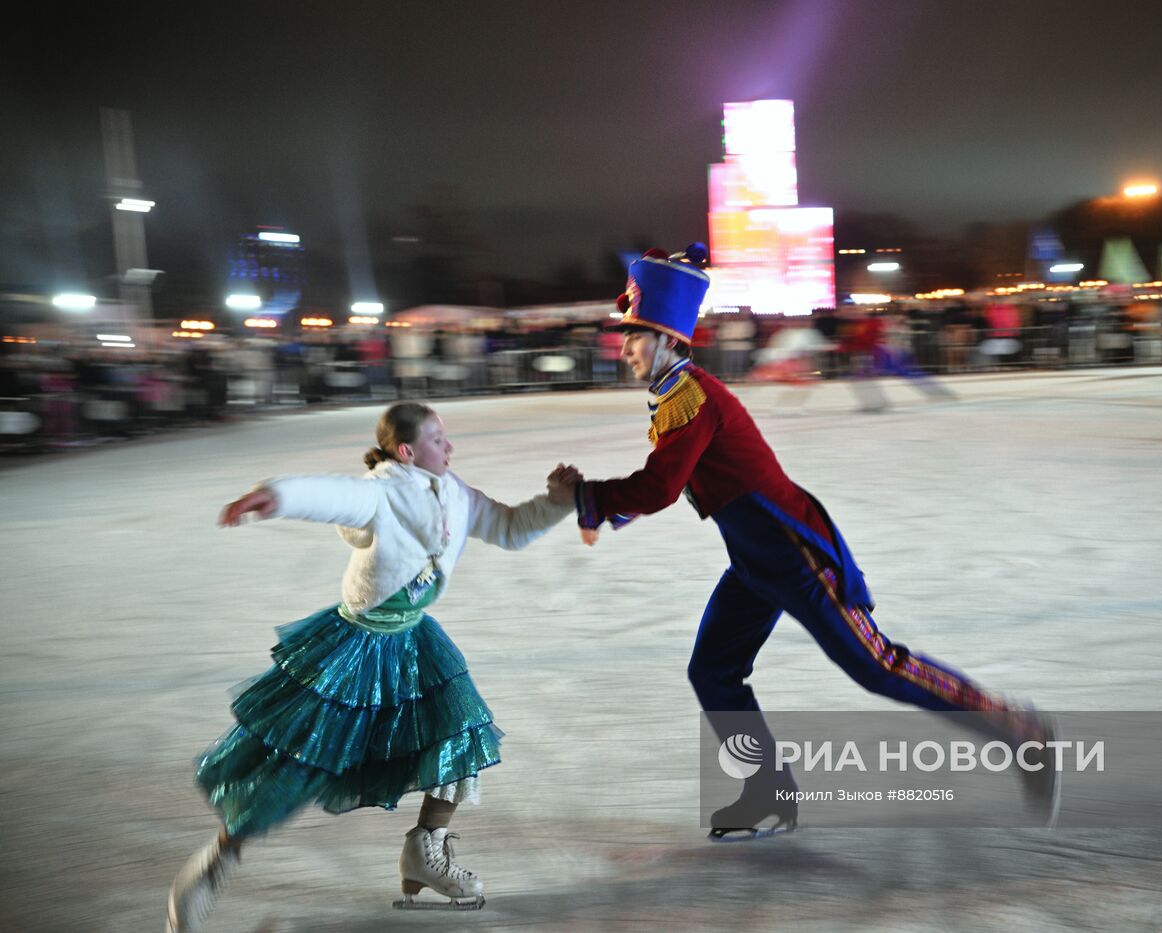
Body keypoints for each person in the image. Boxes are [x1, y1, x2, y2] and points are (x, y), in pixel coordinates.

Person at [572, 245, 1058, 839]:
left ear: (670, 338)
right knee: (714, 672)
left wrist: (594, 498)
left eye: (635, 336)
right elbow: (680, 480)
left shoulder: (691, 397)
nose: (622, 348)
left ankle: (1016, 729)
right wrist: (607, 509)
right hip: (755, 561)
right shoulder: (679, 392)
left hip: (794, 553)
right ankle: (769, 795)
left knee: (877, 667)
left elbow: (662, 486)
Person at [164, 402, 579, 931]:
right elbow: (333, 495)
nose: (449, 447)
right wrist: (278, 494)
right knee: (298, 764)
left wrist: (559, 500)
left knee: (460, 733)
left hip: (414, 642)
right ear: (407, 451)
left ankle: (424, 850)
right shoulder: (381, 491)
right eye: (436, 439)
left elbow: (511, 526)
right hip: (355, 646)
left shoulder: (456, 493)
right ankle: (211, 867)